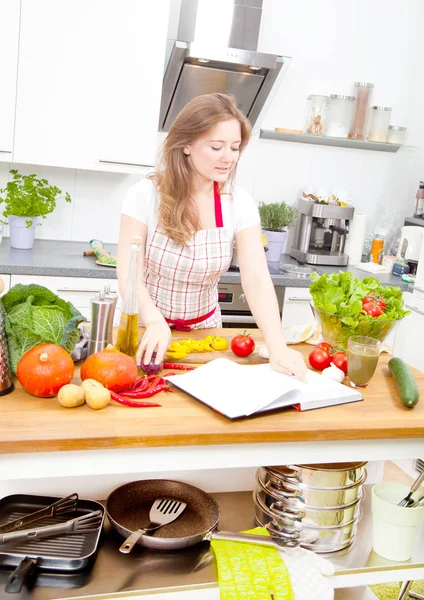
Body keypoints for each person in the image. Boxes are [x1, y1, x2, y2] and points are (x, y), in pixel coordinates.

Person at [117, 93, 307, 381]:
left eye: (234, 147)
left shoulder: (238, 203)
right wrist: (155, 321)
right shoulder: (145, 195)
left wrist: (277, 346)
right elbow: (129, 273)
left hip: (206, 336)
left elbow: (256, 278)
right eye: (216, 146)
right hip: (145, 328)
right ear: (186, 145)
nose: (228, 158)